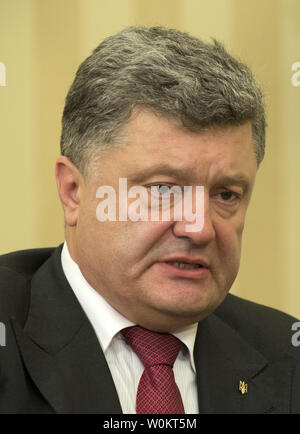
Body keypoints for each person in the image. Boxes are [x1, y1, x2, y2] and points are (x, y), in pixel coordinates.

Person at [0, 26, 299, 414]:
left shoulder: (287, 358)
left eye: (225, 195)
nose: (200, 228)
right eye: (163, 190)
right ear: (73, 191)